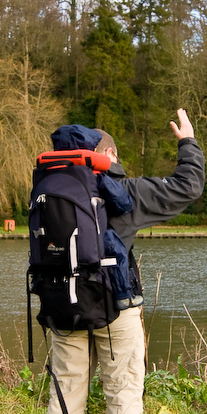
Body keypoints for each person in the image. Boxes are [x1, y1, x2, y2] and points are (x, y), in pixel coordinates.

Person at [38, 108, 205, 414]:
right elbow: (188, 186)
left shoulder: (50, 192)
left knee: (65, 392)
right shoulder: (126, 192)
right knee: (124, 395)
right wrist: (187, 143)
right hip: (117, 309)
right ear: (108, 157)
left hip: (64, 307)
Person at [49, 124, 142, 309]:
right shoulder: (93, 172)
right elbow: (123, 203)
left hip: (58, 239)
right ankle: (124, 296)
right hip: (90, 235)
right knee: (117, 250)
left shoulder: (48, 174)